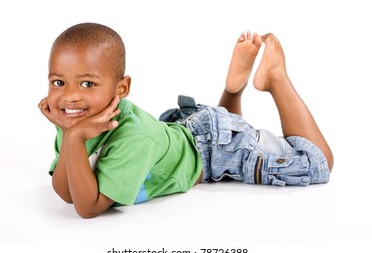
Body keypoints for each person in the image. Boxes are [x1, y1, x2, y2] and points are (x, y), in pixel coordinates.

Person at [39, 23, 333, 218]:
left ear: (122, 89)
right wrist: (70, 135)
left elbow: (88, 207)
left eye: (87, 84)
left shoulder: (131, 137)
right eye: (58, 82)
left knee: (318, 162)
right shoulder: (74, 122)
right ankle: (232, 91)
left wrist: (73, 138)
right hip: (189, 129)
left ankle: (276, 79)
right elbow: (67, 193)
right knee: (229, 130)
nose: (69, 98)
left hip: (213, 150)